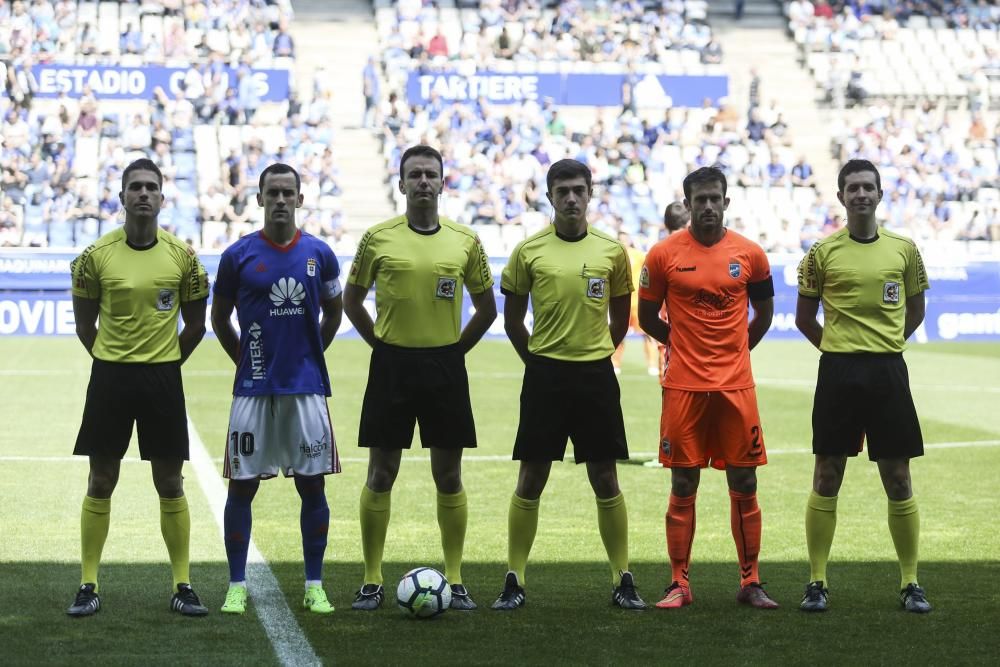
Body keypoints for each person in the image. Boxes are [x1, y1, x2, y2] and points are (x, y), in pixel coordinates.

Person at [343, 145, 496, 611]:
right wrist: (382, 347)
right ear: (402, 183)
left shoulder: (465, 240)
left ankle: (455, 578)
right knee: (381, 473)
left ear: (443, 182)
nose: (424, 181)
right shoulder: (376, 238)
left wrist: (454, 353)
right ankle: (372, 579)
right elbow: (352, 302)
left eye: (431, 173)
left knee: (448, 476)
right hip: (392, 366)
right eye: (415, 174)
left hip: (444, 368)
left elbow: (487, 309)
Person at [491, 158, 647, 611]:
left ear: (591, 194)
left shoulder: (611, 251)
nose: (572, 198)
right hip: (545, 375)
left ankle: (622, 577)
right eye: (563, 192)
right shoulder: (528, 251)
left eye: (579, 190)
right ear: (550, 197)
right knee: (532, 476)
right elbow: (514, 320)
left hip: (595, 375)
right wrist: (537, 361)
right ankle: (514, 578)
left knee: (605, 476)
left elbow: (621, 318)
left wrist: (597, 353)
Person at [67, 158, 209, 617]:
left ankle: (182, 584)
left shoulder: (183, 257)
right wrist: (115, 359)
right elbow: (85, 325)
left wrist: (164, 364)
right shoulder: (95, 257)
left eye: (151, 187)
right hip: (109, 376)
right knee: (101, 480)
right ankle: (88, 583)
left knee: (170, 482)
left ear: (163, 199)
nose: (143, 194)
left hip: (162, 379)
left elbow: (196, 326)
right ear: (123, 196)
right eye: (135, 187)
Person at [637, 166, 778, 610]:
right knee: (683, 481)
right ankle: (679, 583)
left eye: (716, 198)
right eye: (701, 200)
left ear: (726, 201)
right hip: (683, 388)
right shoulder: (662, 255)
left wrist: (737, 350)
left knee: (744, 478)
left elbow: (765, 313)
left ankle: (750, 581)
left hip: (736, 387)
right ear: (689, 203)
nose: (709, 206)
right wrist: (679, 344)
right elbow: (645, 318)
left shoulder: (751, 254)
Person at [795, 159, 932, 614]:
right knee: (827, 473)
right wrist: (836, 349)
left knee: (898, 477)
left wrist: (885, 344)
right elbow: (803, 317)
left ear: (879, 194)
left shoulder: (904, 249)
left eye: (867, 187)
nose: (860, 195)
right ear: (840, 197)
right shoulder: (821, 252)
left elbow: (916, 311)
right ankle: (817, 581)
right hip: (837, 374)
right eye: (851, 188)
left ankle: (910, 582)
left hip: (888, 373)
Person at [210, 163, 344, 616]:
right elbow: (219, 318)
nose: (282, 200)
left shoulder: (320, 254)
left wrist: (311, 355)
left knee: (312, 487)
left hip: (305, 390)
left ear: (301, 199)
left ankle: (314, 584)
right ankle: (236, 584)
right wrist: (246, 361)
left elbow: (334, 311)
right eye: (274, 193)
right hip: (252, 391)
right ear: (260, 199)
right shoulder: (238, 255)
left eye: (289, 192)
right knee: (241, 488)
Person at [611, 232, 659, 377]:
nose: (624, 242)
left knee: (647, 334)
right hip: (620, 299)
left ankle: (652, 364)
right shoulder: (613, 256)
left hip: (637, 301)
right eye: (621, 239)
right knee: (619, 332)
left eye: (626, 239)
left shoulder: (638, 255)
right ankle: (615, 364)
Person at [655, 202, 690, 381]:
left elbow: (648, 314)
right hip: (696, 341)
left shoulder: (657, 254)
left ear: (666, 223)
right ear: (688, 222)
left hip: (668, 339)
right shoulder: (698, 249)